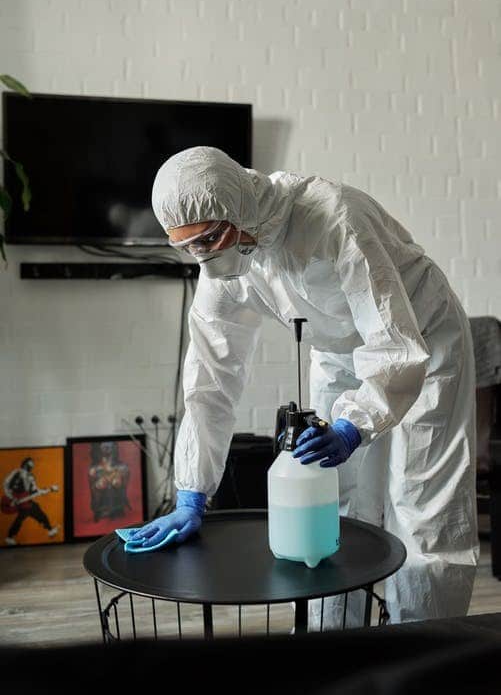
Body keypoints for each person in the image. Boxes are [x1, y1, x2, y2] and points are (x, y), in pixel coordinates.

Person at [127, 145, 479, 627]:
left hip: (424, 338)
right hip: (338, 352)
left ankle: (420, 653)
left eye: (207, 239)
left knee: (420, 507)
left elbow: (394, 342)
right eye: (188, 247)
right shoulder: (229, 259)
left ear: (236, 210)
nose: (203, 258)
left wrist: (354, 427)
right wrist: (191, 493)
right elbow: (210, 378)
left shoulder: (335, 218)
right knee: (329, 500)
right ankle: (332, 643)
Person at [2, 457, 59, 545]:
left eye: (32, 465)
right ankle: (50, 529)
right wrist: (11, 498)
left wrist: (47, 490)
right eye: (30, 464)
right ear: (25, 464)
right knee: (27, 514)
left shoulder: (31, 476)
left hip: (26, 501)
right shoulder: (16, 472)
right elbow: (6, 484)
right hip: (14, 499)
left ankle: (50, 529)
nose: (32, 466)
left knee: (31, 511)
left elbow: (34, 490)